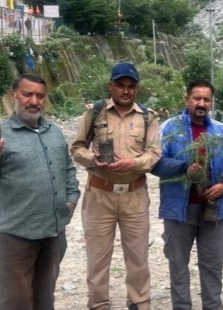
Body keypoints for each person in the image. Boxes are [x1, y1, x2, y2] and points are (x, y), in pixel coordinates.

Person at [0, 74, 80, 309]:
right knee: (15, 302)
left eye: (40, 96)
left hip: (53, 234)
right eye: (27, 94)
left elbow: (68, 169)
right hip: (16, 237)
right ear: (13, 96)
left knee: (45, 299)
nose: (34, 101)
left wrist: (72, 199)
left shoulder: (54, 132)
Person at [70, 62, 161, 310]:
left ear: (137, 89)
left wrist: (134, 163)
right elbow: (76, 148)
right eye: (120, 85)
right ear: (111, 86)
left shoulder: (148, 117)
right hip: (100, 194)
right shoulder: (94, 113)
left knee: (138, 258)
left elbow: (154, 154)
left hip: (135, 195)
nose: (125, 91)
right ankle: (99, 304)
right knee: (98, 259)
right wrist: (92, 159)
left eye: (131, 86)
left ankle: (139, 303)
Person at [152, 80, 223, 309]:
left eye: (206, 99)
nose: (201, 103)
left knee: (213, 264)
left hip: (214, 209)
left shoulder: (221, 131)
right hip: (179, 209)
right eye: (196, 98)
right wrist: (184, 168)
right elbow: (155, 163)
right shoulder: (170, 128)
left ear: (211, 103)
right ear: (187, 100)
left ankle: (212, 306)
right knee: (178, 264)